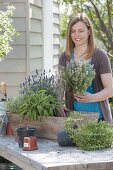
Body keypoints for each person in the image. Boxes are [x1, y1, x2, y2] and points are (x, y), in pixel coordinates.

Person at [58, 13, 113, 123]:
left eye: (81, 31)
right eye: (73, 31)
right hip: (74, 119)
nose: (76, 34)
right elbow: (60, 86)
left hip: (99, 120)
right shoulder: (65, 58)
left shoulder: (100, 56)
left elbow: (110, 90)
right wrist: (58, 104)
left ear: (89, 31)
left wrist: (91, 98)